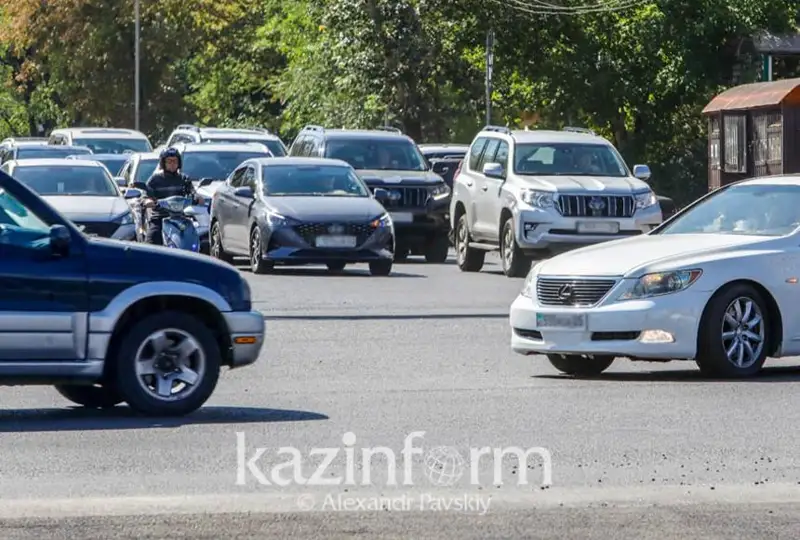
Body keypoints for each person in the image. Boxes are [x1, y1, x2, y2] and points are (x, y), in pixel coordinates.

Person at [142, 147, 199, 245]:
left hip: (180, 218)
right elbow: (145, 196)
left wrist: (197, 198)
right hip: (160, 218)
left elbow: (193, 193)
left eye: (175, 161)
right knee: (150, 242)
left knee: (194, 239)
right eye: (169, 161)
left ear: (179, 163)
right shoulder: (155, 179)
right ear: (163, 163)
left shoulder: (184, 179)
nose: (172, 164)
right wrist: (148, 201)